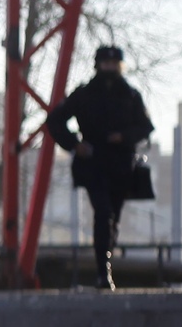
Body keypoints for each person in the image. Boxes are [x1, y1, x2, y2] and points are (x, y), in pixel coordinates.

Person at [46, 45, 154, 289]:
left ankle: (106, 262)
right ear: (98, 65)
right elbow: (55, 121)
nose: (110, 68)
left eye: (114, 64)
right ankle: (102, 272)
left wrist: (124, 137)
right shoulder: (85, 94)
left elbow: (145, 127)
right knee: (103, 213)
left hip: (121, 166)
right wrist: (74, 144)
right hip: (94, 164)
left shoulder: (130, 95)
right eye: (106, 64)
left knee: (112, 219)